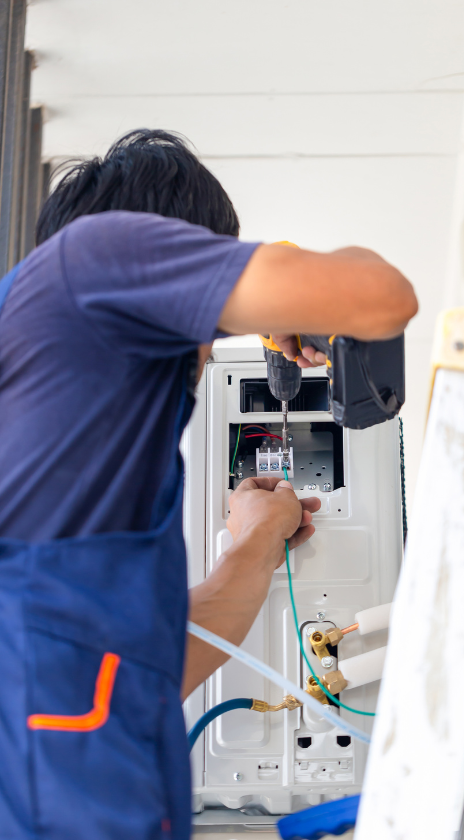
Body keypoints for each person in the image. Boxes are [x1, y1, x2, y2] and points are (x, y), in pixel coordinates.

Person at [0, 128, 417, 839]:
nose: (205, 348)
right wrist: (278, 286)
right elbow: (381, 296)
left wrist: (253, 546)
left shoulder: (84, 442)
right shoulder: (94, 251)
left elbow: (157, 661)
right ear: (159, 248)